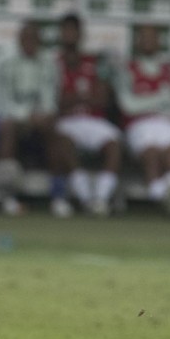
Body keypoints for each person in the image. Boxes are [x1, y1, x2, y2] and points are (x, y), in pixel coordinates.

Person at [111, 24, 170, 213]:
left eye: (152, 38)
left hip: (169, 121)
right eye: (144, 37)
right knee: (151, 153)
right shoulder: (128, 68)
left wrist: (146, 101)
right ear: (137, 42)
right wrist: (164, 98)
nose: (148, 42)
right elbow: (128, 105)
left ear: (160, 42)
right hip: (139, 124)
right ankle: (161, 199)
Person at [0, 20, 61, 216]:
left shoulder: (48, 63)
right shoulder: (4, 60)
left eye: (35, 39)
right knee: (8, 128)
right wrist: (27, 117)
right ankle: (3, 194)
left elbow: (49, 100)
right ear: (19, 39)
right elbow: (0, 103)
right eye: (26, 39)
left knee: (54, 130)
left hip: (33, 121)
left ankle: (59, 196)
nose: (30, 43)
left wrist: (43, 115)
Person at [52, 14, 122, 217]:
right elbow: (56, 102)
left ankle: (101, 198)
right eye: (66, 31)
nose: (70, 35)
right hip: (66, 121)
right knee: (61, 140)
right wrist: (82, 97)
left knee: (114, 143)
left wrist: (73, 98)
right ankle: (84, 196)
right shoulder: (54, 62)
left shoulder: (95, 62)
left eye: (74, 31)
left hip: (94, 120)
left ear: (81, 34)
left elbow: (103, 99)